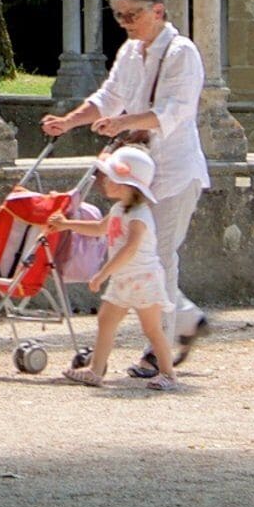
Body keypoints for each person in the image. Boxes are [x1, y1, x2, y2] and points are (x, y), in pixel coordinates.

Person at [42, 0, 206, 374]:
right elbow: (108, 96)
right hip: (136, 173)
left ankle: (160, 349)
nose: (125, 23)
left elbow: (174, 111)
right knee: (142, 256)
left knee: (160, 256)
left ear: (158, 10)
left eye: (131, 15)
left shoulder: (182, 52)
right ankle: (185, 320)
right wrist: (70, 121)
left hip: (172, 171)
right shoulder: (131, 51)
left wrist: (123, 123)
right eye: (118, 16)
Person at [51, 145, 182, 392]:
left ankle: (168, 373)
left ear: (126, 185)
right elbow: (100, 229)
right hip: (124, 277)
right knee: (106, 320)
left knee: (152, 328)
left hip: (143, 278)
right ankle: (96, 371)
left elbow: (130, 249)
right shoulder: (119, 209)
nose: (104, 181)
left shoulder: (140, 215)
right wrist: (67, 225)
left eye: (110, 178)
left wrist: (103, 273)